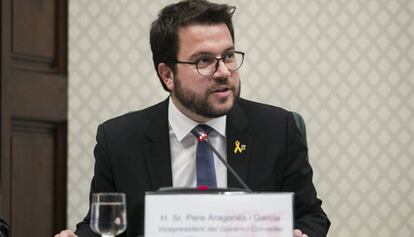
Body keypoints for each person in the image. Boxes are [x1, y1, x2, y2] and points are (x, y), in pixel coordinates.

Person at [56, 0, 330, 236]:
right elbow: (103, 224)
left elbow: (310, 215)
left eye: (229, 56)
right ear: (167, 75)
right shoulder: (119, 141)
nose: (223, 71)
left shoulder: (277, 129)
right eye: (204, 61)